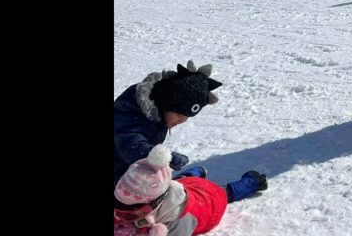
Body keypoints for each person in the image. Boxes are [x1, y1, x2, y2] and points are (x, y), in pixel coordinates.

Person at [114, 144, 267, 236]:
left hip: (207, 202)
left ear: (155, 204)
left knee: (224, 193)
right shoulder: (149, 191)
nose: (121, 215)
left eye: (130, 212)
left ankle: (253, 181)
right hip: (185, 185)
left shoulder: (178, 219)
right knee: (180, 181)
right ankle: (196, 172)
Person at [114, 61, 222, 187]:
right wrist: (162, 156)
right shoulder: (133, 113)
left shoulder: (158, 113)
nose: (180, 121)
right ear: (167, 103)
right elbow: (130, 145)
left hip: (129, 171)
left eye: (186, 117)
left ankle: (187, 179)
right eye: (179, 115)